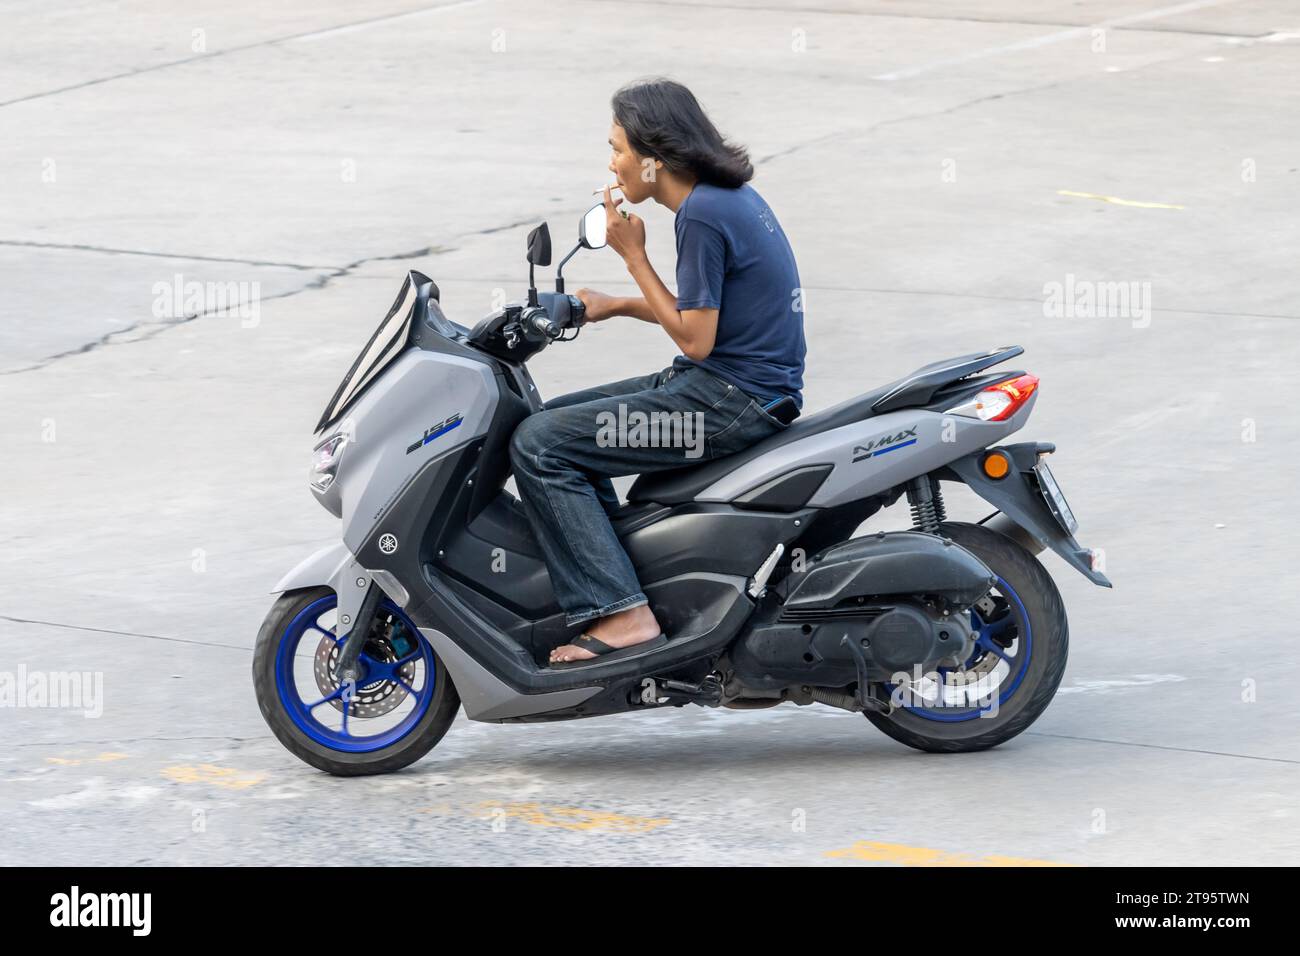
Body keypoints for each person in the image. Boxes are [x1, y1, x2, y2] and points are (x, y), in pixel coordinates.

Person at [508, 77, 807, 668]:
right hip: (730, 391)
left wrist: (633, 256)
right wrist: (616, 304)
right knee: (553, 423)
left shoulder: (699, 215)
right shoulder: (726, 198)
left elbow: (696, 340)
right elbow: (704, 315)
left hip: (724, 408)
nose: (613, 165)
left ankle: (624, 613)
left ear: (654, 159)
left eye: (618, 149)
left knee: (540, 445)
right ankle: (629, 577)